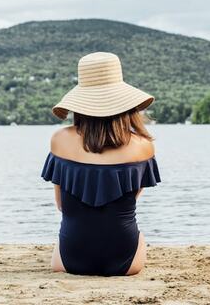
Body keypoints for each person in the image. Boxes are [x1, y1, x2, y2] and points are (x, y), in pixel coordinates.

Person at [41, 51, 161, 276]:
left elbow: (61, 205)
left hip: (70, 258)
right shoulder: (143, 146)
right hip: (126, 261)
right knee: (139, 235)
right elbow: (130, 201)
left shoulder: (60, 140)